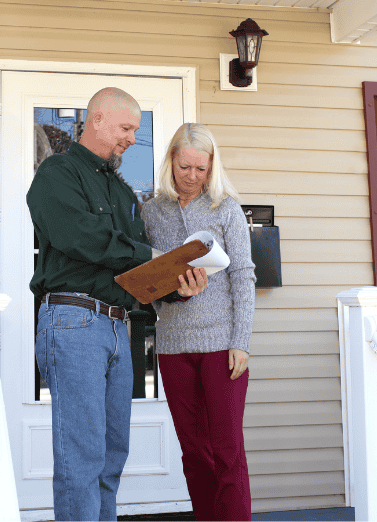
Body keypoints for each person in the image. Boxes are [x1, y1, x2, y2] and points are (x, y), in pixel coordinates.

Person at [26, 88, 207, 521]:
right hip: (73, 320)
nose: (131, 138)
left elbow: (135, 272)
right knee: (82, 454)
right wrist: (151, 258)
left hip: (118, 326)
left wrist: (176, 283)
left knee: (111, 454)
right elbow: (82, 238)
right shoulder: (58, 173)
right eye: (126, 128)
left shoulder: (125, 195)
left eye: (135, 131)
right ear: (98, 119)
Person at [141, 123, 256, 521]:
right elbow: (146, 278)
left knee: (227, 451)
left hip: (222, 346)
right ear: (171, 160)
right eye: (185, 166)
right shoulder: (151, 211)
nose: (192, 176)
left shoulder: (226, 210)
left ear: (212, 168)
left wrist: (241, 341)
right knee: (194, 451)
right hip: (173, 345)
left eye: (201, 169)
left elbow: (243, 274)